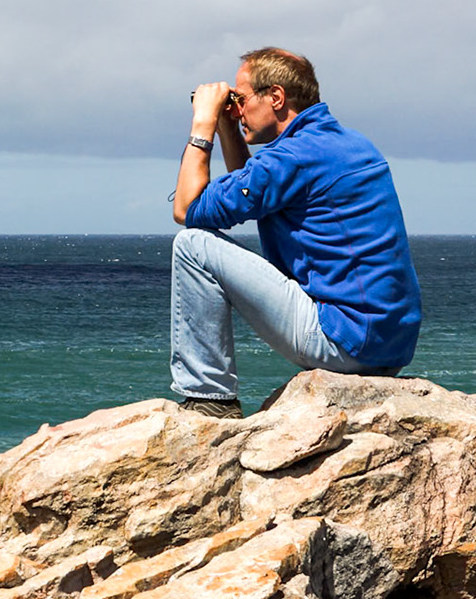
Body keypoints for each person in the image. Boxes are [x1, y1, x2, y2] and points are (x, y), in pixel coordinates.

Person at [169, 47, 420, 418]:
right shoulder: (347, 145)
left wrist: (203, 125)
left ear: (275, 97)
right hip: (387, 346)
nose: (237, 110)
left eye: (241, 99)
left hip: (342, 342)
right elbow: (253, 191)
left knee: (192, 245)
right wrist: (228, 124)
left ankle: (210, 398)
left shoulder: (292, 158)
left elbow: (187, 209)